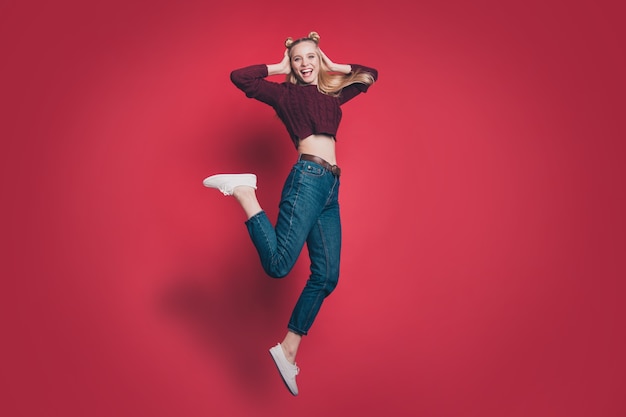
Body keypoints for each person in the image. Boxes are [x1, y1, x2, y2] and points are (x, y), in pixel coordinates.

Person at [203, 31, 377, 396]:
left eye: (310, 57)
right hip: (308, 177)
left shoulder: (332, 94)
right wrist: (280, 66)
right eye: (299, 60)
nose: (305, 64)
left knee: (327, 276)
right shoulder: (284, 94)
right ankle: (245, 192)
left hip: (330, 186)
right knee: (280, 265)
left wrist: (332, 64)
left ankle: (288, 349)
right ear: (293, 66)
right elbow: (241, 78)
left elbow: (368, 74)